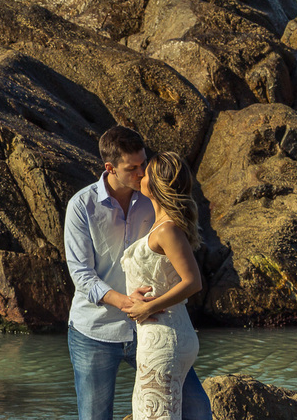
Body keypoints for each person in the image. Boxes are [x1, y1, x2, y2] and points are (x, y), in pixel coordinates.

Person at [63, 126, 210, 420]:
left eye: (143, 163)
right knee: (94, 417)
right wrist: (128, 304)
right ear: (110, 168)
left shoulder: (152, 196)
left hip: (153, 328)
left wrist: (149, 307)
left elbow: (179, 259)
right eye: (132, 168)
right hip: (95, 330)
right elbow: (81, 274)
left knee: (197, 409)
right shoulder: (82, 206)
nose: (141, 172)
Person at [121, 150, 203, 420]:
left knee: (154, 414)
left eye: (147, 171)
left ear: (157, 185)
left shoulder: (167, 229)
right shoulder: (161, 225)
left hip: (164, 337)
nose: (141, 173)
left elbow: (193, 281)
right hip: (160, 334)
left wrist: (149, 307)